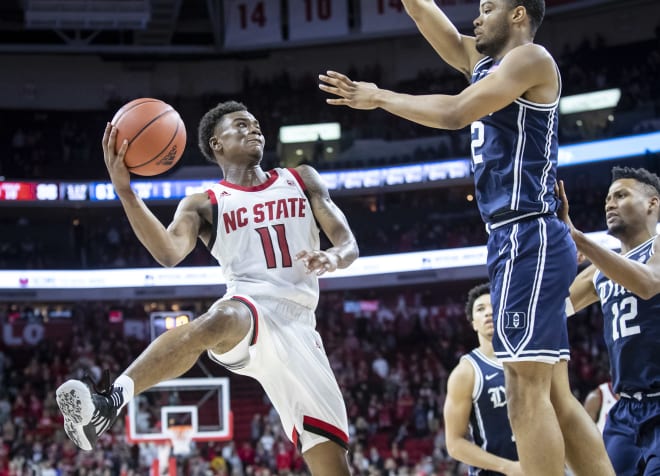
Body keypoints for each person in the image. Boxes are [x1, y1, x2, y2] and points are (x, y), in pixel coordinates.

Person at [318, 1, 614, 474]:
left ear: (518, 15)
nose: (475, 18)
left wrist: (380, 97)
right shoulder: (490, 65)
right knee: (554, 393)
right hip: (514, 237)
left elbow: (456, 113)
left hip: (527, 231)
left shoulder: (530, 57)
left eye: (487, 7)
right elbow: (430, 23)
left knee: (525, 389)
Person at [55, 101, 359, 475]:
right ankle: (108, 404)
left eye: (256, 123)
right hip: (250, 311)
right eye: (242, 125)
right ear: (216, 143)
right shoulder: (205, 203)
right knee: (222, 316)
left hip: (301, 330)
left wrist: (334, 257)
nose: (255, 129)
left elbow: (348, 243)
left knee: (333, 465)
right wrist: (127, 193)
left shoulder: (301, 178)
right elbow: (168, 252)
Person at [558, 166, 660, 475]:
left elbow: (648, 283)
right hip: (625, 410)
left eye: (621, 195)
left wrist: (581, 240)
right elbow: (552, 309)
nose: (609, 204)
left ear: (653, 203)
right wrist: (555, 250)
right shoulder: (598, 271)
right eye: (607, 199)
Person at [444, 283, 522, 476]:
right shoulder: (466, 372)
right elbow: (454, 444)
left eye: (494, 307)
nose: (488, 312)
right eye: (481, 309)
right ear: (473, 323)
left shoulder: (530, 360)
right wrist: (509, 467)